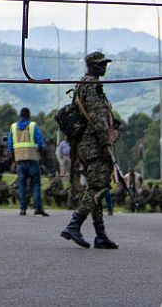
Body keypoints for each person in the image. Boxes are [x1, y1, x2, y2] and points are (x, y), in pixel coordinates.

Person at [60, 52, 119, 250]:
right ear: (91, 66)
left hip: (84, 145)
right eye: (101, 64)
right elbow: (98, 119)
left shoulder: (82, 84)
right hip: (93, 145)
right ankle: (74, 224)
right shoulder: (92, 86)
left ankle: (100, 235)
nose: (105, 67)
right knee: (98, 187)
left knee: (95, 186)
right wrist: (105, 145)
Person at [8, 107, 49, 216]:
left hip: (19, 160)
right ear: (29, 115)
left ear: (20, 116)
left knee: (22, 184)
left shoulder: (13, 127)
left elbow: (10, 146)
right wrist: (40, 154)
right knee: (35, 184)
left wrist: (13, 160)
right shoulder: (33, 126)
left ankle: (23, 209)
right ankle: (38, 208)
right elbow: (40, 142)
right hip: (32, 159)